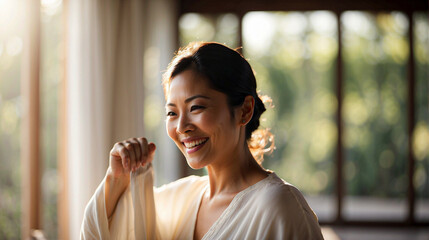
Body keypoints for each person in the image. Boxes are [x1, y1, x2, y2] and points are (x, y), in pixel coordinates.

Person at [80, 42, 324, 239]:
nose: (182, 127)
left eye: (196, 107)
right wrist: (117, 178)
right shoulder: (182, 198)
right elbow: (101, 231)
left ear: (244, 111)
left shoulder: (280, 208)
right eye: (172, 113)